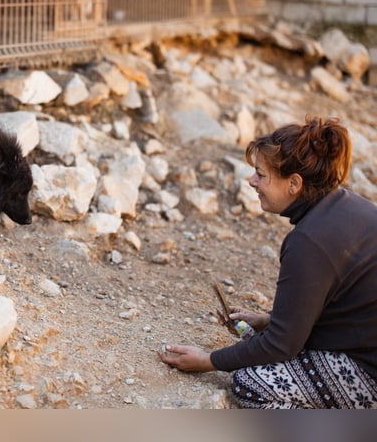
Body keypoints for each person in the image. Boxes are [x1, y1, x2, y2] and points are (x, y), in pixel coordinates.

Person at [159, 116, 377, 409]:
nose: (252, 182)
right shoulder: (348, 205)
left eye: (260, 175)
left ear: (294, 184)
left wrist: (207, 360)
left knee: (250, 384)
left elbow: (282, 346)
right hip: (364, 346)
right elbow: (338, 306)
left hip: (368, 376)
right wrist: (267, 322)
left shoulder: (309, 241)